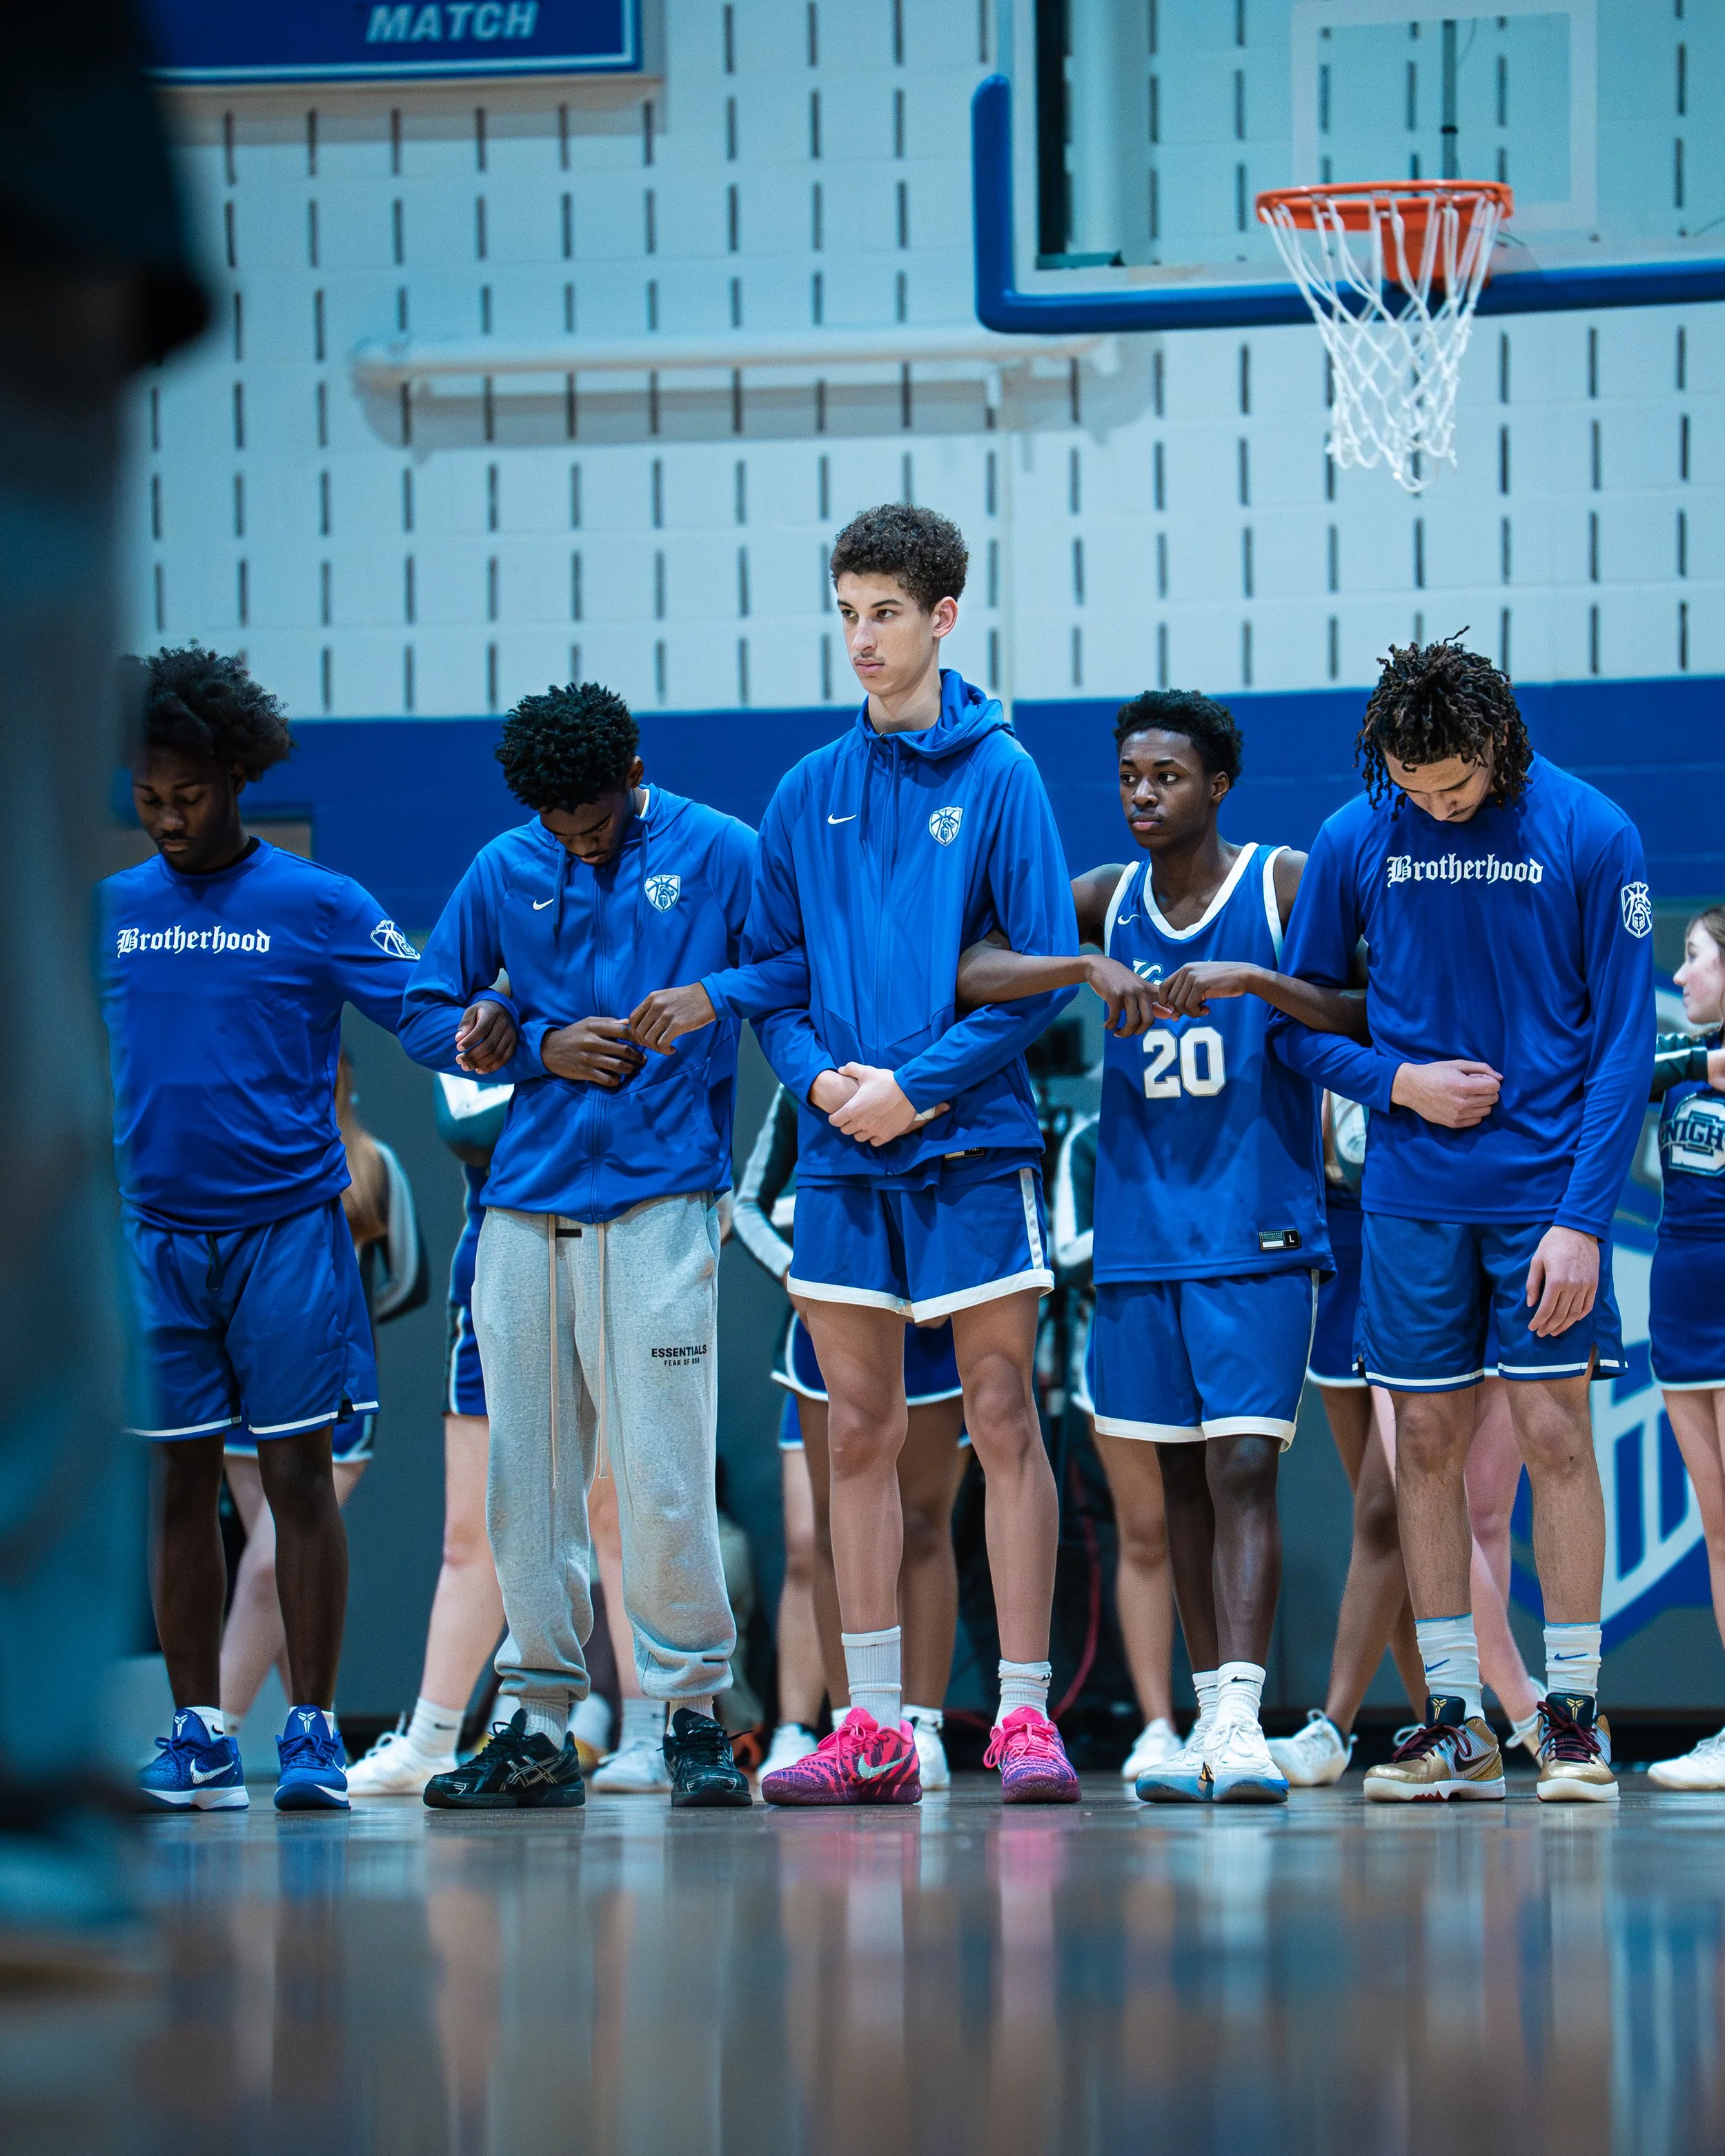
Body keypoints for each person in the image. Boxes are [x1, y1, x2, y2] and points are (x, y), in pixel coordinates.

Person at [633, 504, 1085, 1805]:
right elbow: (778, 976)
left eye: (885, 612)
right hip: (842, 1152)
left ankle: (1019, 1716)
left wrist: (917, 1088)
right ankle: (872, 1722)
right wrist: (820, 1076)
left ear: (944, 617)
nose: (862, 638)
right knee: (854, 1440)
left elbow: (1040, 978)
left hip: (972, 1141)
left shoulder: (1004, 778)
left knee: (1003, 1418)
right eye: (846, 613)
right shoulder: (804, 792)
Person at [1270, 637, 1653, 1804]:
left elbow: (1625, 1045)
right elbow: (1296, 1025)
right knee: (1422, 1455)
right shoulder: (1358, 834)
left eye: (1450, 786)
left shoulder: (1595, 834)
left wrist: (1585, 1219)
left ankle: (1575, 1718)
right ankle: (1455, 1720)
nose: (1430, 805)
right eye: (1410, 785)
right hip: (1410, 1201)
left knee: (1556, 1439)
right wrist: (1399, 1083)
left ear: (1496, 745)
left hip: (1546, 1202)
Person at [956, 688, 1354, 1803]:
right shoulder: (1104, 898)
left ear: (1217, 785)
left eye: (1167, 776)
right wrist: (1079, 968)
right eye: (1130, 775)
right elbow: (972, 965)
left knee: (1241, 1466)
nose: (1143, 793)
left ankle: (1239, 1715)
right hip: (1142, 1236)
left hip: (1259, 1225)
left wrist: (1258, 983)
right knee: (1177, 1481)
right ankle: (1200, 1715)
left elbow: (1372, 1006)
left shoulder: (1280, 882)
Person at [400, 681, 779, 1811]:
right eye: (560, 826)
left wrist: (713, 995)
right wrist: (525, 1048)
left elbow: (800, 965)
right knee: (529, 1479)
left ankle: (691, 1716)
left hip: (664, 1199)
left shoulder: (721, 850)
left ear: (632, 769)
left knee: (662, 1473)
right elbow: (424, 1008)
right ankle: (537, 1718)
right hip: (526, 1205)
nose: (579, 840)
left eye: (597, 820)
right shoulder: (502, 867)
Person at [101, 646, 426, 1814]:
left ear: (238, 777)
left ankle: (312, 1735)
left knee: (296, 1478)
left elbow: (429, 1011)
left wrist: (515, 1035)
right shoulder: (114, 914)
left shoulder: (317, 902)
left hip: (288, 1235)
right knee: (176, 1484)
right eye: (148, 797)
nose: (168, 816)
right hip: (154, 1243)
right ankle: (196, 1737)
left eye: (187, 794)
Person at [732, 1082, 967, 1790]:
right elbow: (745, 1203)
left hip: (928, 1326)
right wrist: (792, 1272)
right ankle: (845, 1721)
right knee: (825, 1536)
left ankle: (921, 1722)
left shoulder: (945, 1060)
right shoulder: (802, 1075)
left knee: (924, 1526)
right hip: (827, 1323)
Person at [219, 1051, 426, 1735]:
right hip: (245, 1403)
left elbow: (407, 1280)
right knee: (282, 1586)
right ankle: (318, 1739)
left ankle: (208, 1735)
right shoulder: (244, 1152)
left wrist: (344, 1328)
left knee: (265, 1575)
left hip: (332, 1397)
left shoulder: (372, 1163)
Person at [344, 1069, 518, 1796]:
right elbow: (469, 1125)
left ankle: (644, 1733)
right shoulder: (472, 994)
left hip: (618, 1252)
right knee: (467, 1532)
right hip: (497, 1275)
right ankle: (431, 1737)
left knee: (612, 1519)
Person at [1050, 1110, 1181, 1784]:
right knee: (1146, 1532)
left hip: (1212, 1335)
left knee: (1216, 1518)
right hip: (1115, 1350)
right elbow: (1067, 1253)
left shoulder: (1220, 1111)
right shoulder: (1088, 1136)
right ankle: (1157, 1721)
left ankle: (1229, 1711)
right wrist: (1170, 1224)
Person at [1644, 908, 1725, 1789]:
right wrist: (1705, 1061)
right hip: (1678, 1311)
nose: (1679, 977)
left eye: (1694, 958)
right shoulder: (1686, 1066)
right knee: (1718, 1529)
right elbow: (1619, 1074)